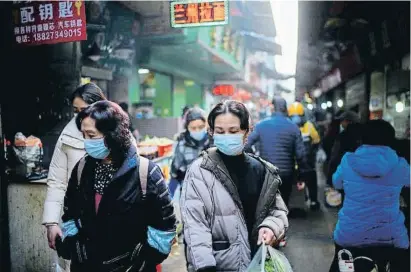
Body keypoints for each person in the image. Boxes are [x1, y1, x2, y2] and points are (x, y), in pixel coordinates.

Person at [60, 101, 176, 271]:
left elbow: (164, 227)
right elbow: (70, 214)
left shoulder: (146, 172)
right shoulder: (82, 168)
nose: (86, 142)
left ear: (112, 134)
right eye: (83, 135)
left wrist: (140, 261)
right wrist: (76, 249)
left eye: (92, 136)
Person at [181, 100, 289, 272]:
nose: (226, 136)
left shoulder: (261, 170)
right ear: (212, 132)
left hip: (257, 262)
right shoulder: (199, 172)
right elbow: (195, 227)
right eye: (220, 131)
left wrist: (270, 227)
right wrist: (204, 267)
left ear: (247, 132)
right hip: (218, 266)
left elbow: (277, 211)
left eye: (233, 131)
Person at [329, 120, 410, 272]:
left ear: (362, 139)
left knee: (341, 266)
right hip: (389, 237)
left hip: (350, 235)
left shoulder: (348, 160)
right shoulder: (400, 164)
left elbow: (336, 183)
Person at [43, 83, 107, 250]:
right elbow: (57, 181)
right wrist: (52, 222)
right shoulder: (67, 136)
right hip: (78, 221)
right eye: (76, 111)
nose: (80, 116)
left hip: (113, 219)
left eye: (85, 110)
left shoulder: (117, 132)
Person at [245, 97, 308, 207]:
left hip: (266, 173)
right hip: (287, 174)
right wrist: (301, 177)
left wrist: (254, 160)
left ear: (272, 108)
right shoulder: (294, 128)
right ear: (285, 109)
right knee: (283, 206)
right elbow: (301, 155)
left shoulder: (261, 125)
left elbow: (245, 145)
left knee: (266, 207)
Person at [169, 107, 212, 199]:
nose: (197, 131)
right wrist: (168, 199)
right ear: (187, 128)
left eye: (201, 127)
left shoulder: (213, 142)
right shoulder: (181, 145)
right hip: (189, 196)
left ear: (206, 125)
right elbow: (175, 174)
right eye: (193, 128)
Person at [288, 102, 321, 210]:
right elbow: (316, 141)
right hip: (300, 163)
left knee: (310, 178)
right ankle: (311, 200)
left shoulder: (306, 126)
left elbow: (316, 141)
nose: (296, 118)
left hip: (301, 163)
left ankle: (312, 200)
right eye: (294, 116)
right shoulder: (308, 126)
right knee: (310, 178)